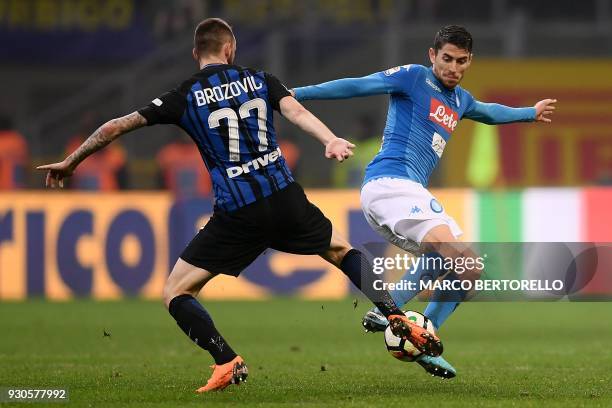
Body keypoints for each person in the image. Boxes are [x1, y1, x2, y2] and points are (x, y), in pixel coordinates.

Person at [37, 18, 443, 393]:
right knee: (343, 251)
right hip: (284, 197)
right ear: (230, 48)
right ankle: (395, 314)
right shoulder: (260, 79)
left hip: (238, 212)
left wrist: (72, 161)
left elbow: (116, 125)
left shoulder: (183, 95)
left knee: (177, 292)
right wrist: (330, 140)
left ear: (198, 53)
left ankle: (226, 360)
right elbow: (296, 111)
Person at [292, 25, 556, 379]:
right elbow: (358, 84)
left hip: (405, 194)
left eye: (461, 61)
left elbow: (490, 112)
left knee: (469, 269)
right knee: (458, 256)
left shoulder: (460, 100)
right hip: (390, 184)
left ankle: (423, 338)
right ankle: (393, 306)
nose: (453, 68)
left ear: (469, 62)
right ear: (433, 56)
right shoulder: (414, 78)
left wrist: (529, 113)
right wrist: (295, 94)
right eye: (447, 58)